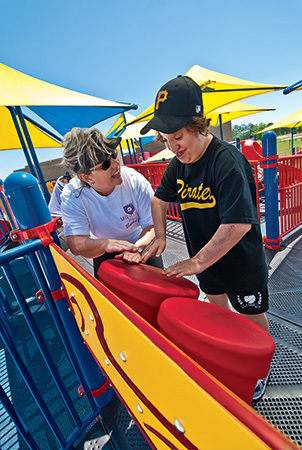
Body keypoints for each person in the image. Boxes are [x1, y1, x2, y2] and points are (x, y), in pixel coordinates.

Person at [140, 75, 270, 401]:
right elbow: (158, 199)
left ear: (199, 125)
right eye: (165, 139)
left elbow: (238, 224)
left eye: (179, 136)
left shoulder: (226, 161)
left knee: (252, 319)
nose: (172, 147)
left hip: (240, 262)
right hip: (208, 264)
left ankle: (260, 370)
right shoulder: (177, 165)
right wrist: (160, 236)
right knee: (218, 315)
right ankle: (228, 360)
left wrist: (196, 261)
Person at [60, 127, 163, 278]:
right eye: (105, 165)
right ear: (87, 178)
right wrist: (105, 244)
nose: (116, 164)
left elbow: (152, 224)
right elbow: (75, 243)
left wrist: (136, 248)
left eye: (113, 155)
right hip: (103, 249)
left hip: (141, 242)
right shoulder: (73, 195)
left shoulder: (134, 180)